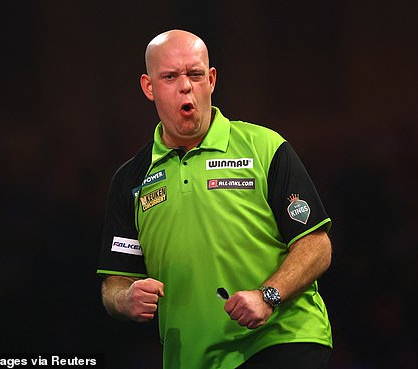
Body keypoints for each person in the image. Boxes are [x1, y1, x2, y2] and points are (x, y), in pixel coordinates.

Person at [97, 29, 333, 369]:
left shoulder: (264, 148)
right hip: (194, 357)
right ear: (149, 87)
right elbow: (115, 282)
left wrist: (268, 295)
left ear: (211, 79)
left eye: (194, 74)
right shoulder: (130, 179)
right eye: (170, 77)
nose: (185, 86)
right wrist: (126, 298)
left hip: (283, 338)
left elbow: (317, 245)